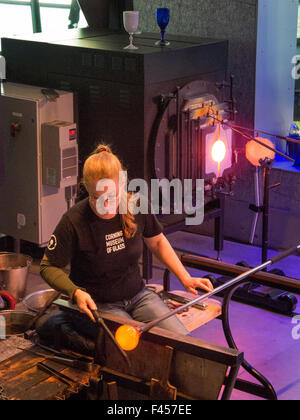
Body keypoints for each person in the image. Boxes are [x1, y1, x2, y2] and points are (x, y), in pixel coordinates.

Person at [39, 144, 213, 353]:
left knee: (183, 344)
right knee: (135, 350)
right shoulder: (74, 221)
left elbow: (157, 241)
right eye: (97, 198)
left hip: (138, 295)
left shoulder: (135, 205)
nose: (105, 205)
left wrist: (185, 277)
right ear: (86, 188)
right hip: (99, 304)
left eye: (111, 197)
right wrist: (74, 292)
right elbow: (48, 267)